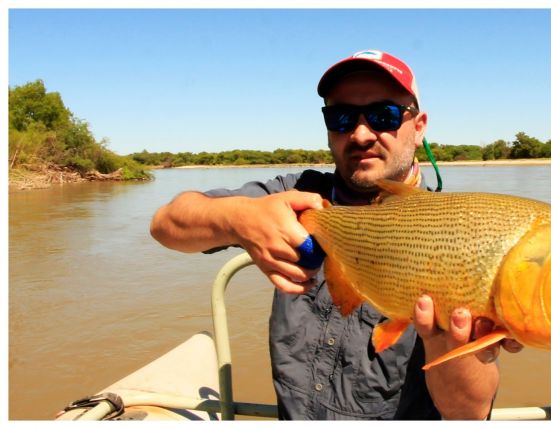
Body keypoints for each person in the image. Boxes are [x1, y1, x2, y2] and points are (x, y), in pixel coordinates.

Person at [150, 49, 522, 420]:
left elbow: (469, 414)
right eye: (341, 117)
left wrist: (444, 342)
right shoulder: (293, 194)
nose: (360, 134)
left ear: (419, 125)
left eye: (383, 116)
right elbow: (167, 225)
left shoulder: (457, 233)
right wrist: (237, 217)